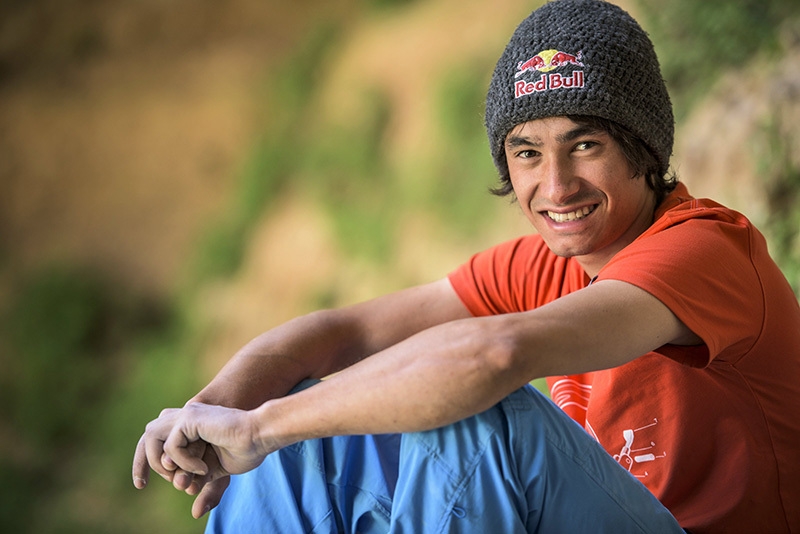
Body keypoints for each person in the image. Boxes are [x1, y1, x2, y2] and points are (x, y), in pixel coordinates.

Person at [132, 0, 800, 532]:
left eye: (585, 144)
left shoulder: (705, 249)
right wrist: (209, 413)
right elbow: (343, 334)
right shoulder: (540, 266)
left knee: (477, 421)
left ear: (643, 148)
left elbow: (494, 355)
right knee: (298, 428)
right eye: (528, 152)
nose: (557, 185)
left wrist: (256, 428)